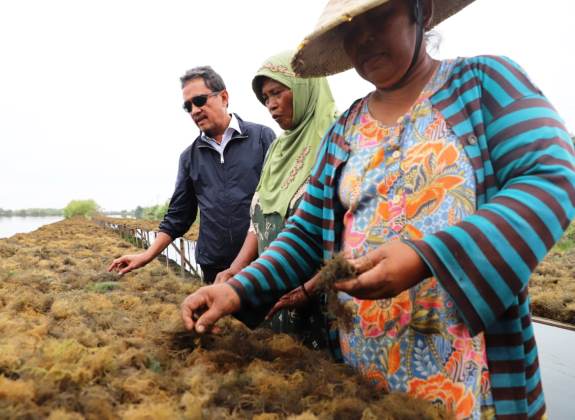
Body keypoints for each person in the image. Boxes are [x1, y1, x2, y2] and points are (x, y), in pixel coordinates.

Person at [180, 1, 575, 418]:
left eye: (378, 17)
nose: (364, 37)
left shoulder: (482, 84)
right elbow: (306, 233)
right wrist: (238, 289)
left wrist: (426, 257)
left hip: (468, 373)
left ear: (420, 13)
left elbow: (551, 175)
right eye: (350, 30)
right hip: (365, 375)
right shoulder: (346, 129)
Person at [213, 51, 338, 350]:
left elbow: (345, 238)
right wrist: (237, 267)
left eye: (277, 93)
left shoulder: (336, 140)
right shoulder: (277, 150)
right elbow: (260, 223)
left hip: (322, 298)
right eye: (265, 97)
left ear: (305, 87)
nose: (270, 105)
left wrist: (309, 289)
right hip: (276, 290)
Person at [108, 66, 276, 283]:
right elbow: (178, 216)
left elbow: (277, 201)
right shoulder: (189, 157)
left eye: (199, 101)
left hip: (261, 263)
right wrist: (146, 255)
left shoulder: (262, 137)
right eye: (187, 106)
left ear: (224, 97)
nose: (194, 110)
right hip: (215, 269)